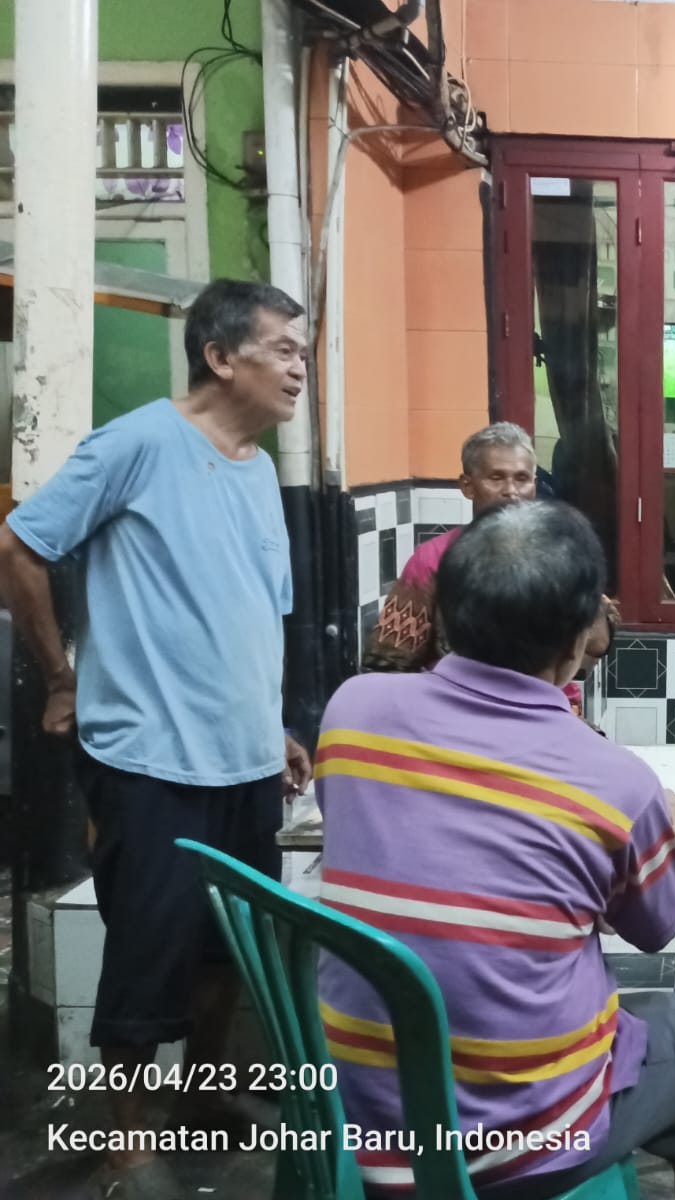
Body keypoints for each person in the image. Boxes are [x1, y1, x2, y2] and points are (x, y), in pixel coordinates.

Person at [315, 501, 675, 1199]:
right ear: (584, 636)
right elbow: (655, 929)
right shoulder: (616, 784)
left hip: (352, 1112)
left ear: (445, 614)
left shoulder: (351, 713)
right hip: (514, 1153)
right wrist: (664, 830)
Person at [0, 279, 315, 1198]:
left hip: (246, 758)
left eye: (304, 351)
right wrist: (61, 674)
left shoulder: (257, 469)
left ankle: (203, 1097)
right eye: (284, 350)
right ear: (221, 357)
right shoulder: (139, 442)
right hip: (148, 760)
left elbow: (256, 614)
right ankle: (128, 1146)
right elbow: (21, 546)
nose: (301, 368)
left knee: (231, 948)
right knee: (147, 955)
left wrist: (278, 723)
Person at [363, 421, 617, 715]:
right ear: (467, 486)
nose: (511, 491)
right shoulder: (433, 561)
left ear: (535, 485)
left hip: (545, 715)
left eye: (522, 478)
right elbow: (386, 666)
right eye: (496, 478)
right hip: (458, 719)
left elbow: (594, 644)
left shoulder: (559, 556)